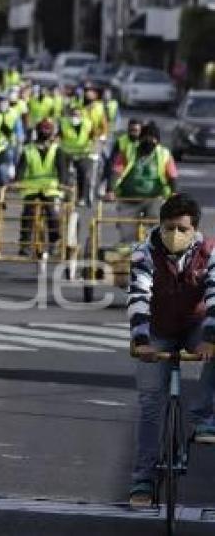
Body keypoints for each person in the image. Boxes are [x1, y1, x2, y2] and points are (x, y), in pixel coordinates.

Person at [126, 193, 215, 507]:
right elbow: (138, 295)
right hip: (158, 329)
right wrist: (142, 341)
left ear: (194, 230)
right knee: (150, 405)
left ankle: (203, 416)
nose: (174, 235)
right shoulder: (143, 252)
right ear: (159, 225)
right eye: (168, 227)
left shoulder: (210, 251)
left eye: (181, 229)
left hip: (195, 325)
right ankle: (143, 480)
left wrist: (210, 338)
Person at [108, 122, 179, 242]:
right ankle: (129, 251)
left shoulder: (164, 154)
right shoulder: (128, 151)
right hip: (128, 198)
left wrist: (174, 193)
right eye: (146, 138)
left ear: (157, 141)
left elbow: (172, 175)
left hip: (154, 198)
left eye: (153, 139)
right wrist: (110, 190)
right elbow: (116, 171)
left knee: (157, 226)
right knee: (127, 232)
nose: (149, 141)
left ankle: (154, 248)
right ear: (140, 139)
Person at [15, 119, 66, 256]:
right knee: (28, 213)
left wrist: (63, 182)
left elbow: (62, 169)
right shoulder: (28, 149)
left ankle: (54, 241)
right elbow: (21, 168)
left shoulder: (57, 150)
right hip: (32, 188)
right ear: (37, 131)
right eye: (43, 129)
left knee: (52, 213)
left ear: (52, 133)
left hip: (51, 189)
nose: (45, 132)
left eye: (48, 129)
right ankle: (25, 244)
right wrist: (18, 181)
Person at [58, 104, 94, 206]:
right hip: (67, 153)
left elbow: (93, 138)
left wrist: (93, 148)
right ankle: (63, 192)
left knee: (84, 173)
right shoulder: (64, 123)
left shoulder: (88, 124)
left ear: (81, 116)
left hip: (83, 153)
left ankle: (82, 197)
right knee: (62, 171)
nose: (75, 117)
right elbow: (58, 136)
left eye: (78, 115)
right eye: (73, 115)